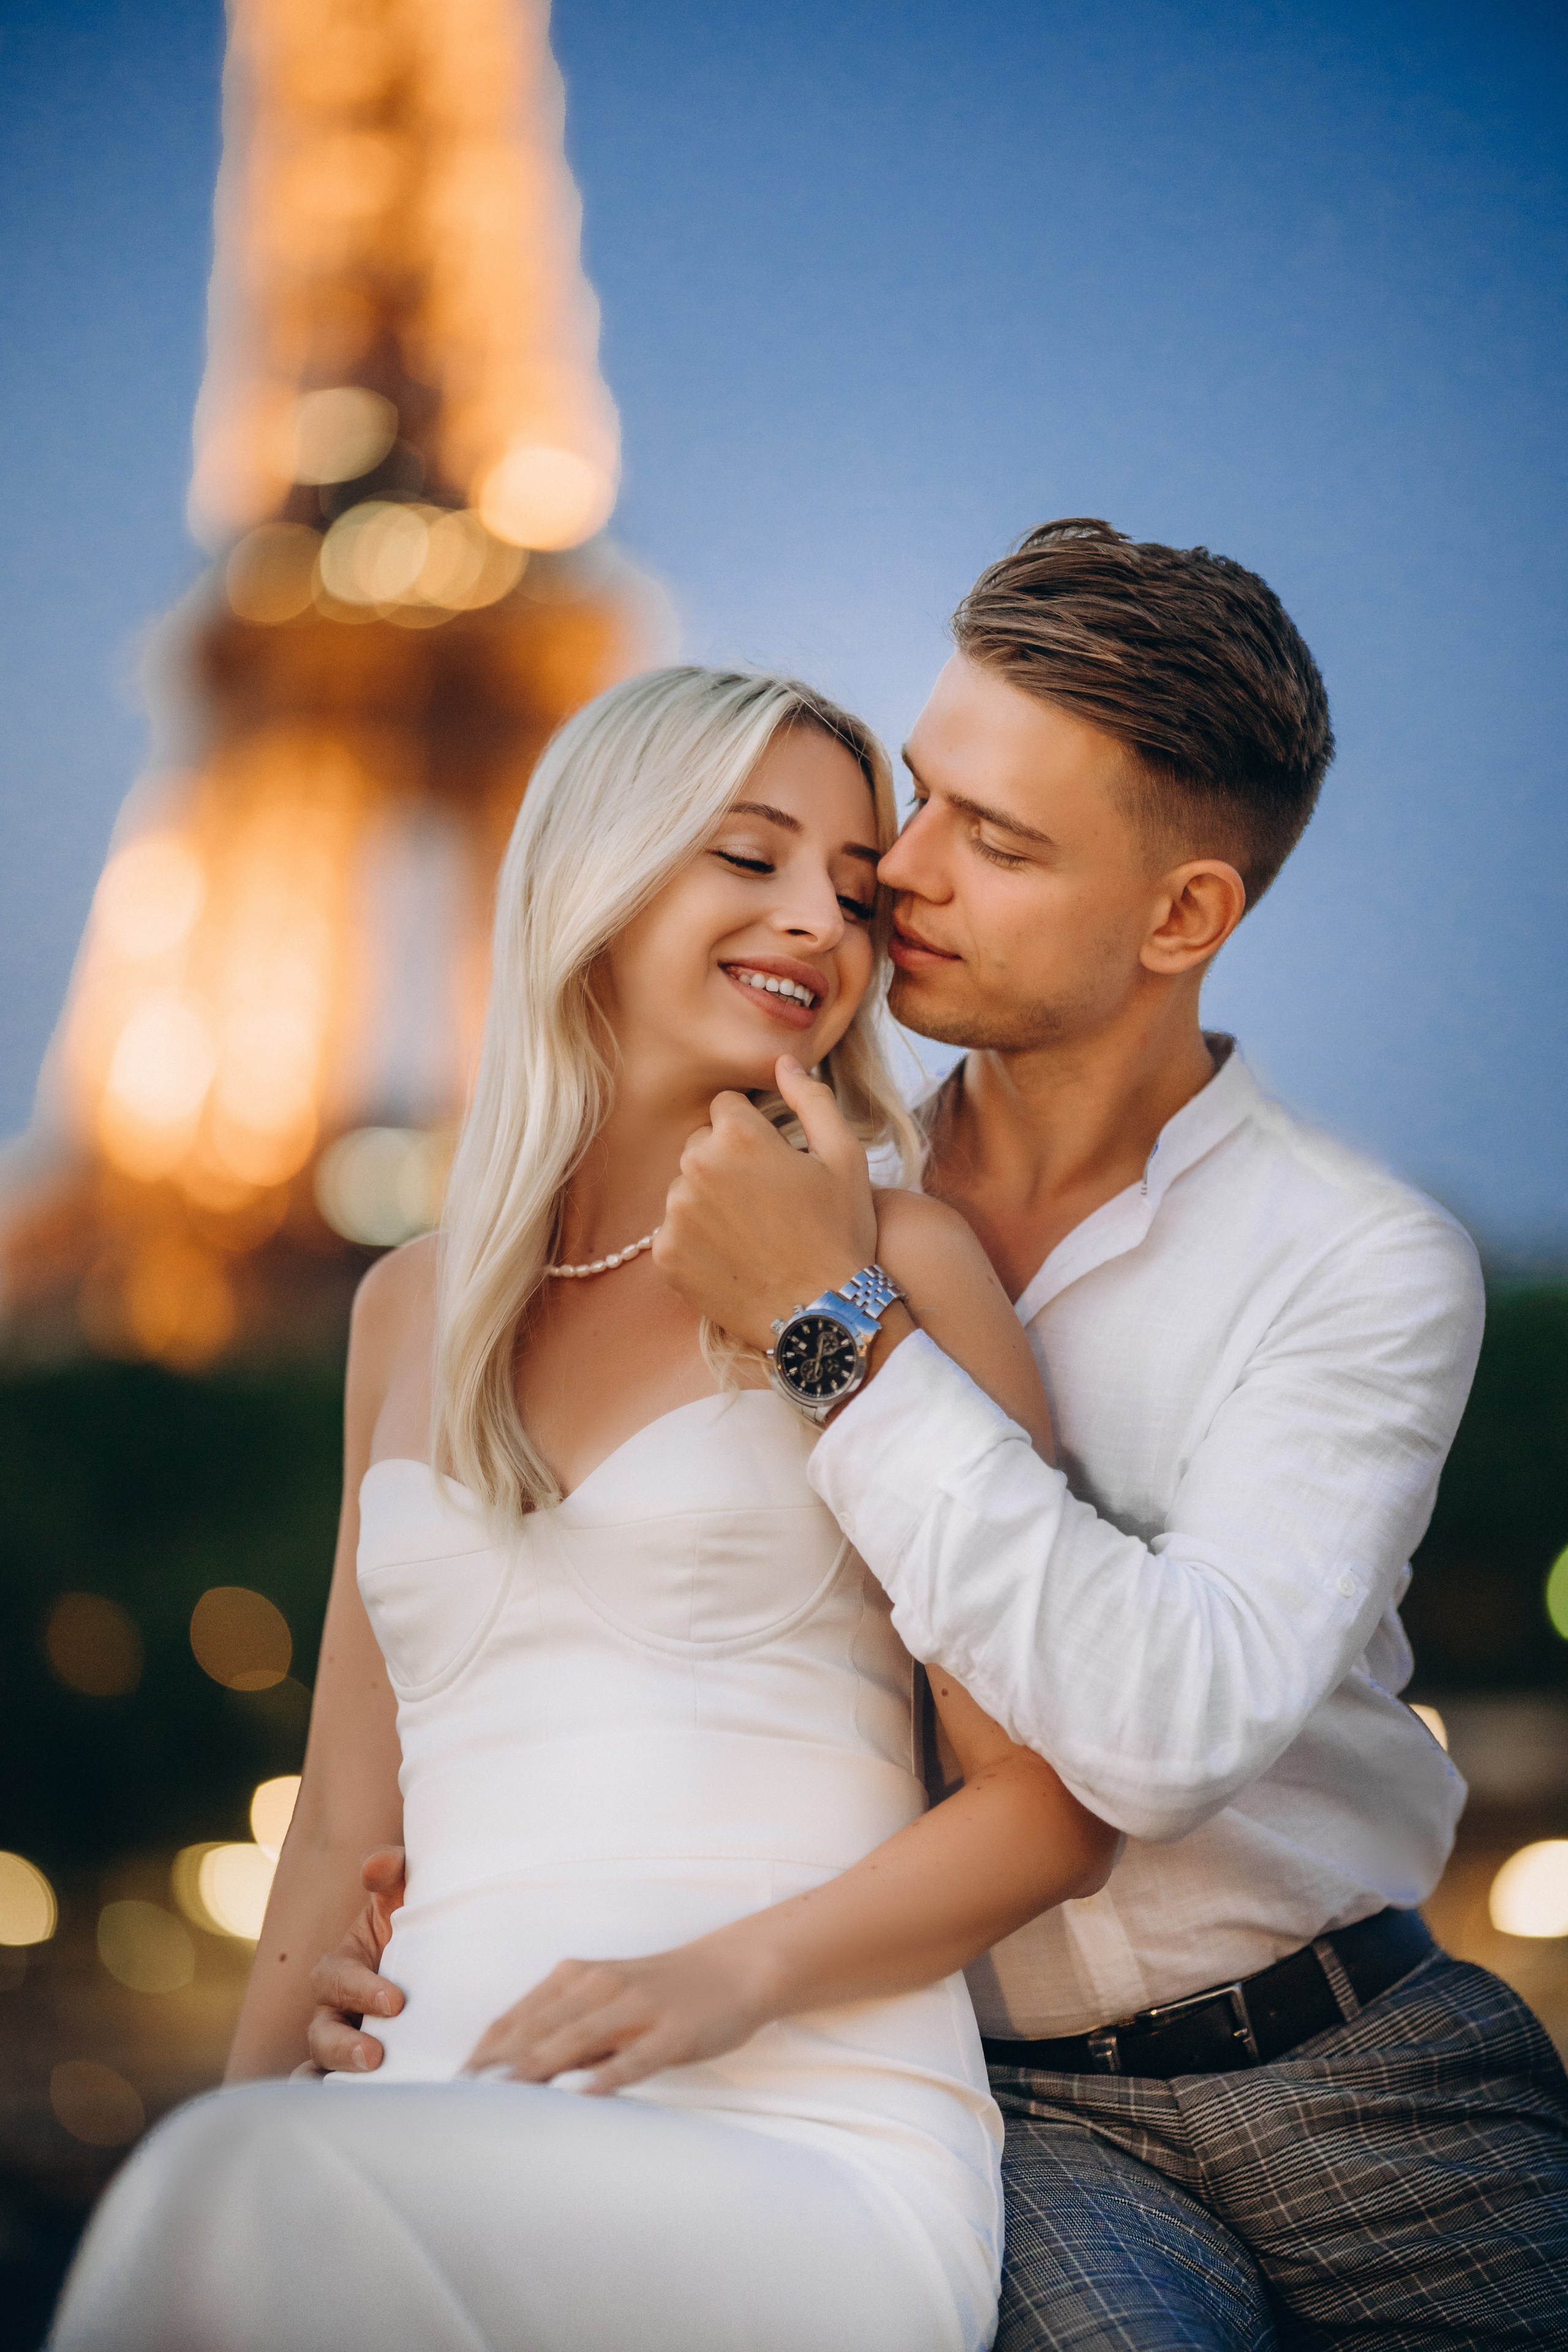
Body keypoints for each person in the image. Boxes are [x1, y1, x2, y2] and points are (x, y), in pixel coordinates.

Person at [50, 665, 1118, 2352]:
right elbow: (341, 1829)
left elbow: (1057, 1801)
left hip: (794, 2136)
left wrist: (719, 1979)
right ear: (597, 875)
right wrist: (242, 2105)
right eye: (748, 857)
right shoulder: (414, 1306)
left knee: (240, 2194)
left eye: (855, 891)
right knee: (214, 2189)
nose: (815, 926)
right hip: (410, 2123)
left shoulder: (891, 1269)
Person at [638, 521, 1568, 2348]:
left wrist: (841, 1336)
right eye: (921, 797)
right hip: (1003, 2108)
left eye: (997, 841)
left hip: (1372, 2074)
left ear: (1184, 918)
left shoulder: (1363, 1265)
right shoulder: (775, 1185)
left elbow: (1167, 1733)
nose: (897, 873)